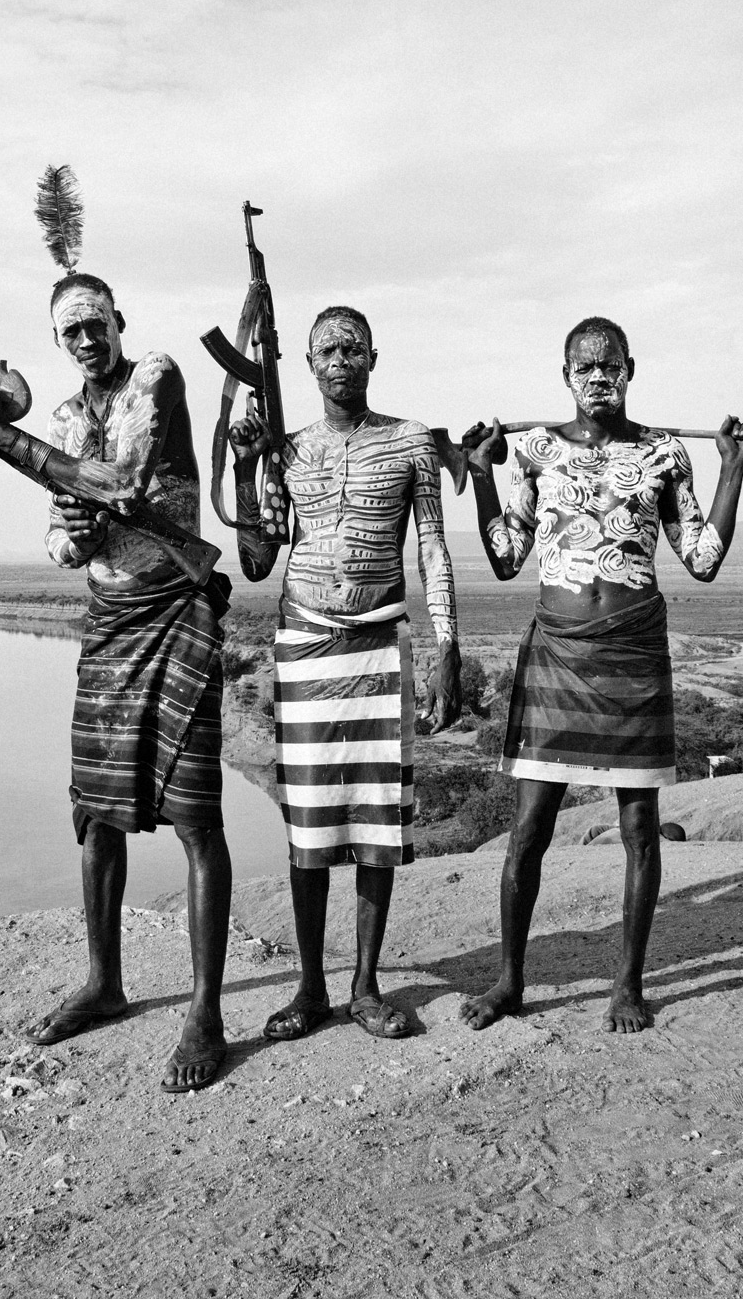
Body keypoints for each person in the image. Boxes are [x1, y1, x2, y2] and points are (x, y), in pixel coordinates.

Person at [0, 272, 233, 1092]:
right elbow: (61, 537)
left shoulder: (157, 375)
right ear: (58, 343)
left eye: (93, 324)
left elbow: (124, 479)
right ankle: (105, 981)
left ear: (118, 321)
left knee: (194, 811)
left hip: (176, 608)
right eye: (68, 331)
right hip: (109, 620)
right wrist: (70, 531)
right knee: (95, 812)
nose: (84, 340)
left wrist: (6, 444)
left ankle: (205, 1011)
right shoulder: (68, 416)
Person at [456, 316, 743, 1034]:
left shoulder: (663, 453)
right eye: (584, 367)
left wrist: (732, 468)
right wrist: (483, 476)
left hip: (631, 653)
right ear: (565, 376)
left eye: (609, 365)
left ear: (630, 368)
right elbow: (503, 558)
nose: (598, 378)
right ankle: (510, 979)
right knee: (528, 829)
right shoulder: (535, 450)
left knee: (640, 828)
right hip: (558, 651)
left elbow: (703, 557)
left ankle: (627, 986)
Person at [228, 305, 459, 1041]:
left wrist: (445, 643)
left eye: (352, 348)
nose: (340, 359)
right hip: (303, 643)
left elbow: (432, 547)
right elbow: (258, 560)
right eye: (327, 349)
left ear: (373, 357)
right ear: (305, 363)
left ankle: (364, 985)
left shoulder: (411, 442)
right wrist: (243, 465)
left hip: (376, 644)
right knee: (310, 826)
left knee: (375, 824)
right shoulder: (286, 453)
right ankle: (308, 987)